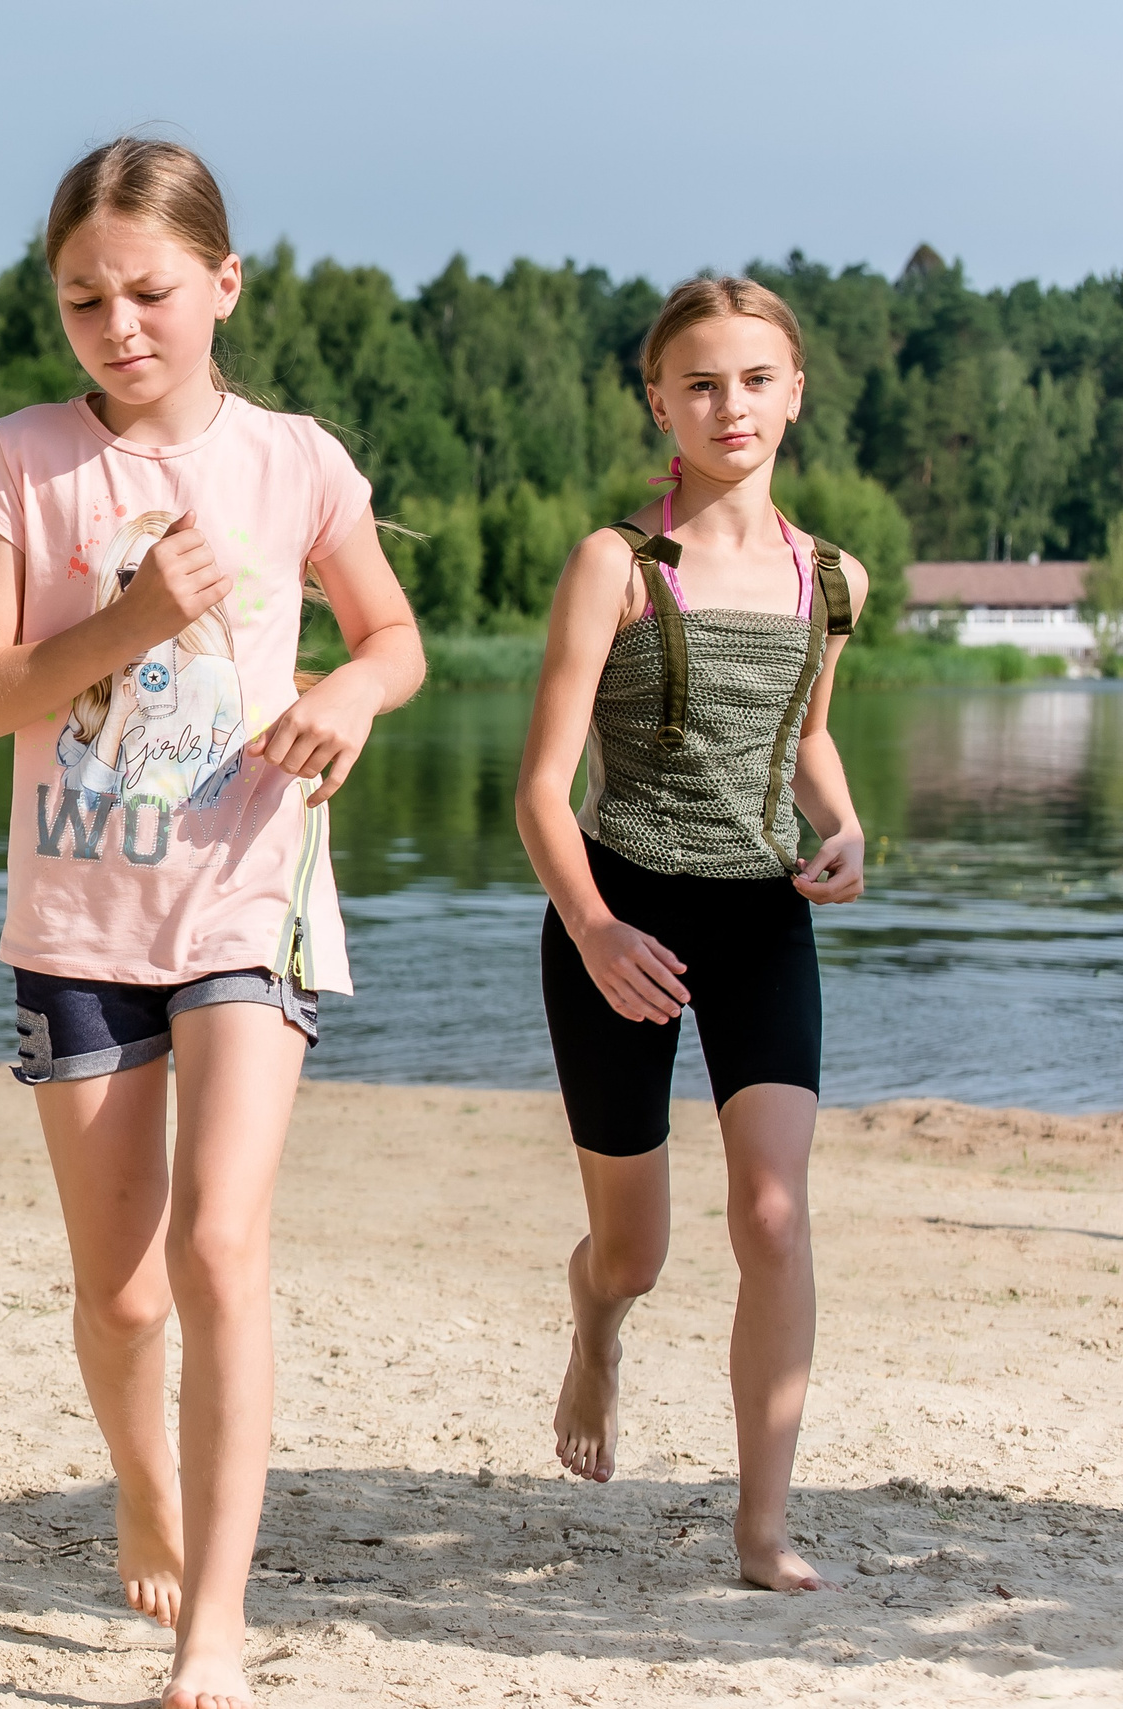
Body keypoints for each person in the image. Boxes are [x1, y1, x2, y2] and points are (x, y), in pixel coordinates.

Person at [0, 139, 424, 1709]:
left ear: (222, 284)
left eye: (149, 291)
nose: (118, 323)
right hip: (76, 920)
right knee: (123, 1291)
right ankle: (140, 1483)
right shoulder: (26, 456)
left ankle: (216, 1616)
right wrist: (135, 615)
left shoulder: (297, 460)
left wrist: (349, 689)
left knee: (220, 1246)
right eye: (84, 298)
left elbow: (394, 634)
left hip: (245, 900)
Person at [516, 276, 868, 1594]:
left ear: (795, 393)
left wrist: (847, 831)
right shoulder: (618, 563)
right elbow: (542, 789)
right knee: (638, 1249)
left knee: (775, 1212)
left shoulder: (832, 577)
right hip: (624, 916)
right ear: (659, 399)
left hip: (764, 919)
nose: (732, 405)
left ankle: (761, 1525)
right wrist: (598, 927)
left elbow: (809, 739)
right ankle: (596, 1321)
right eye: (701, 382)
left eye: (757, 379)